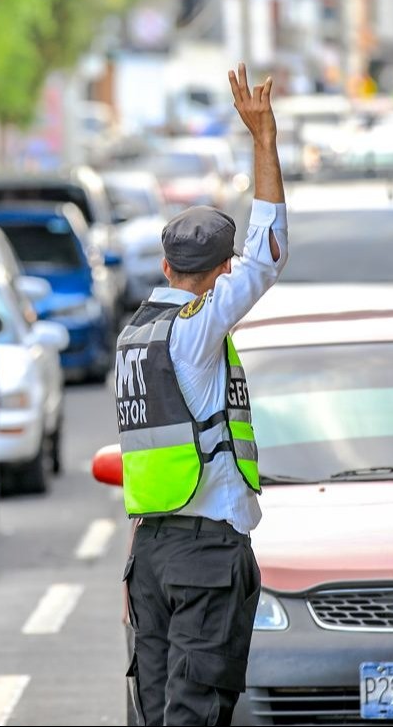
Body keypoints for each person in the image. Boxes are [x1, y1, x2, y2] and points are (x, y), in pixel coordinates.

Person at [117, 64, 288, 726]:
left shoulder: (137, 335)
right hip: (202, 555)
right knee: (193, 713)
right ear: (219, 277)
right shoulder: (197, 329)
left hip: (153, 558)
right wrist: (263, 140)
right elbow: (268, 253)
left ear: (165, 267)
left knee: (161, 712)